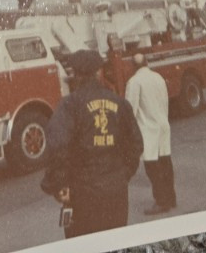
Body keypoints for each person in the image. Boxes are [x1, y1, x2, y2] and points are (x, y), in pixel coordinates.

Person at [40, 50, 141, 239]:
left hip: (82, 196)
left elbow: (57, 147)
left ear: (75, 75)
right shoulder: (119, 103)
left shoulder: (69, 105)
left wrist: (60, 184)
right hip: (116, 194)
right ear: (99, 72)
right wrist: (122, 175)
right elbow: (135, 144)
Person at [122, 54, 176, 216]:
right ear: (147, 63)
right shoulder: (158, 77)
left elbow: (130, 109)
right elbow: (165, 100)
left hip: (147, 128)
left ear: (133, 66)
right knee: (166, 162)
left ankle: (161, 201)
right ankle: (171, 197)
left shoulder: (134, 82)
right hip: (162, 125)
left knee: (152, 167)